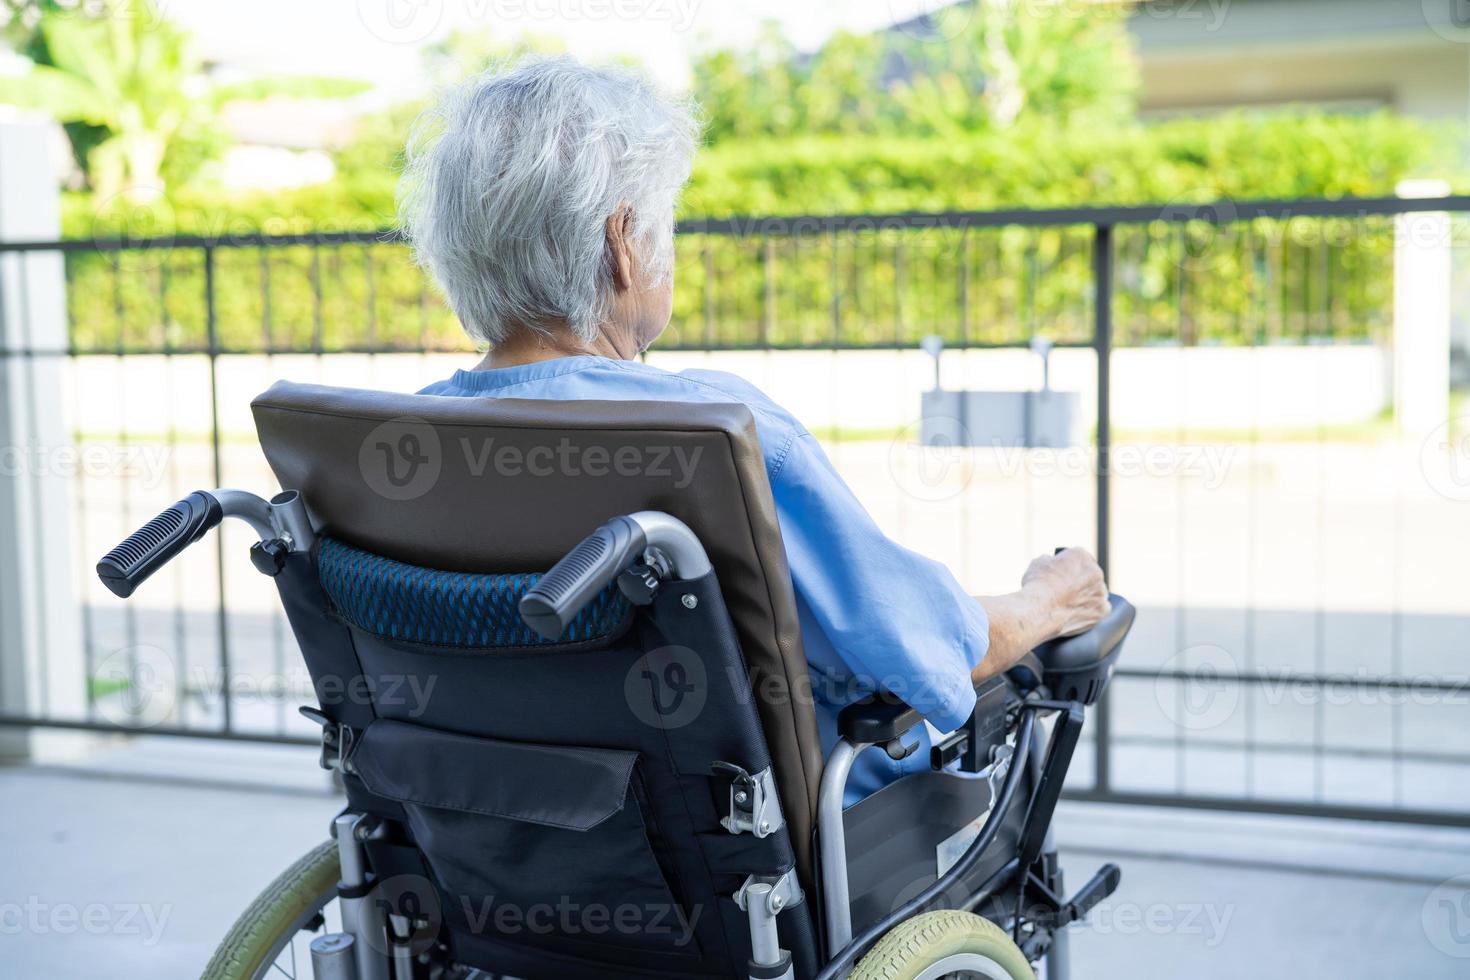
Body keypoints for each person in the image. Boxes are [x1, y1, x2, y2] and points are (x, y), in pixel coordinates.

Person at [400, 57, 1110, 802]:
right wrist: (1050, 600)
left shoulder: (393, 441)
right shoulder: (705, 427)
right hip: (751, 852)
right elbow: (923, 646)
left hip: (487, 832)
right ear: (622, 245)